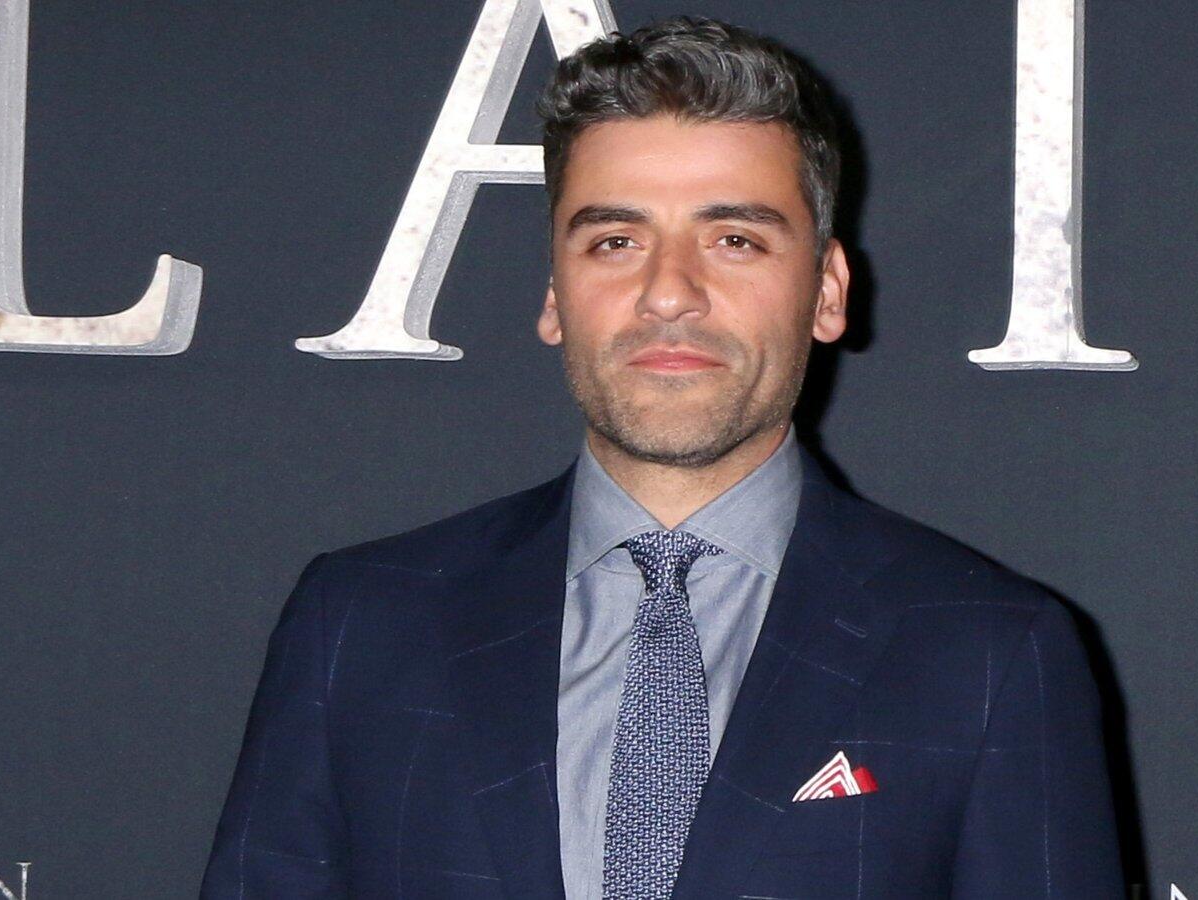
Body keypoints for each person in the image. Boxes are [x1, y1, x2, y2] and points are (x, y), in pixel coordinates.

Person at [200, 15, 1125, 899]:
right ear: (555, 295)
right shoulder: (361, 625)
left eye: (734, 240)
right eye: (616, 240)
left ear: (826, 291)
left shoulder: (988, 652)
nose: (669, 292)